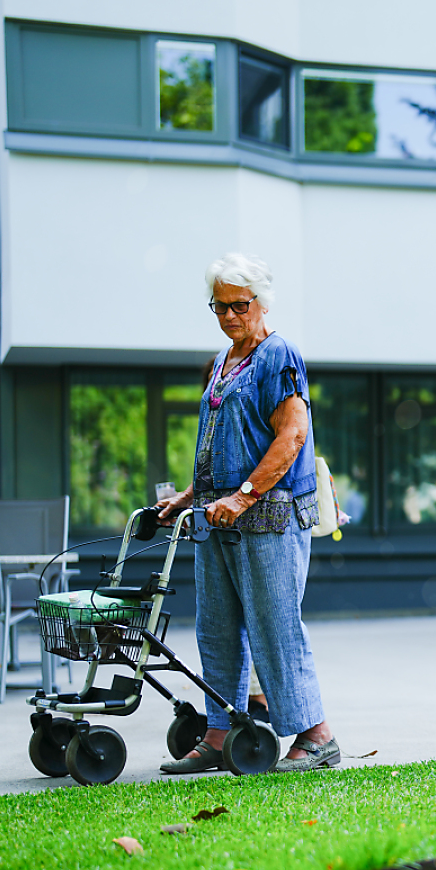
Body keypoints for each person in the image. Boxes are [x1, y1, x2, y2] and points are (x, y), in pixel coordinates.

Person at [156, 253, 339, 773]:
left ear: (262, 302)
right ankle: (219, 734)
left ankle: (316, 735)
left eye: (239, 305)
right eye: (220, 306)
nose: (230, 316)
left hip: (268, 518)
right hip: (217, 519)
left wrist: (243, 496)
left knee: (274, 626)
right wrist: (191, 495)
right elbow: (224, 442)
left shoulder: (279, 355)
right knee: (215, 627)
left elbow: (292, 434)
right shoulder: (222, 361)